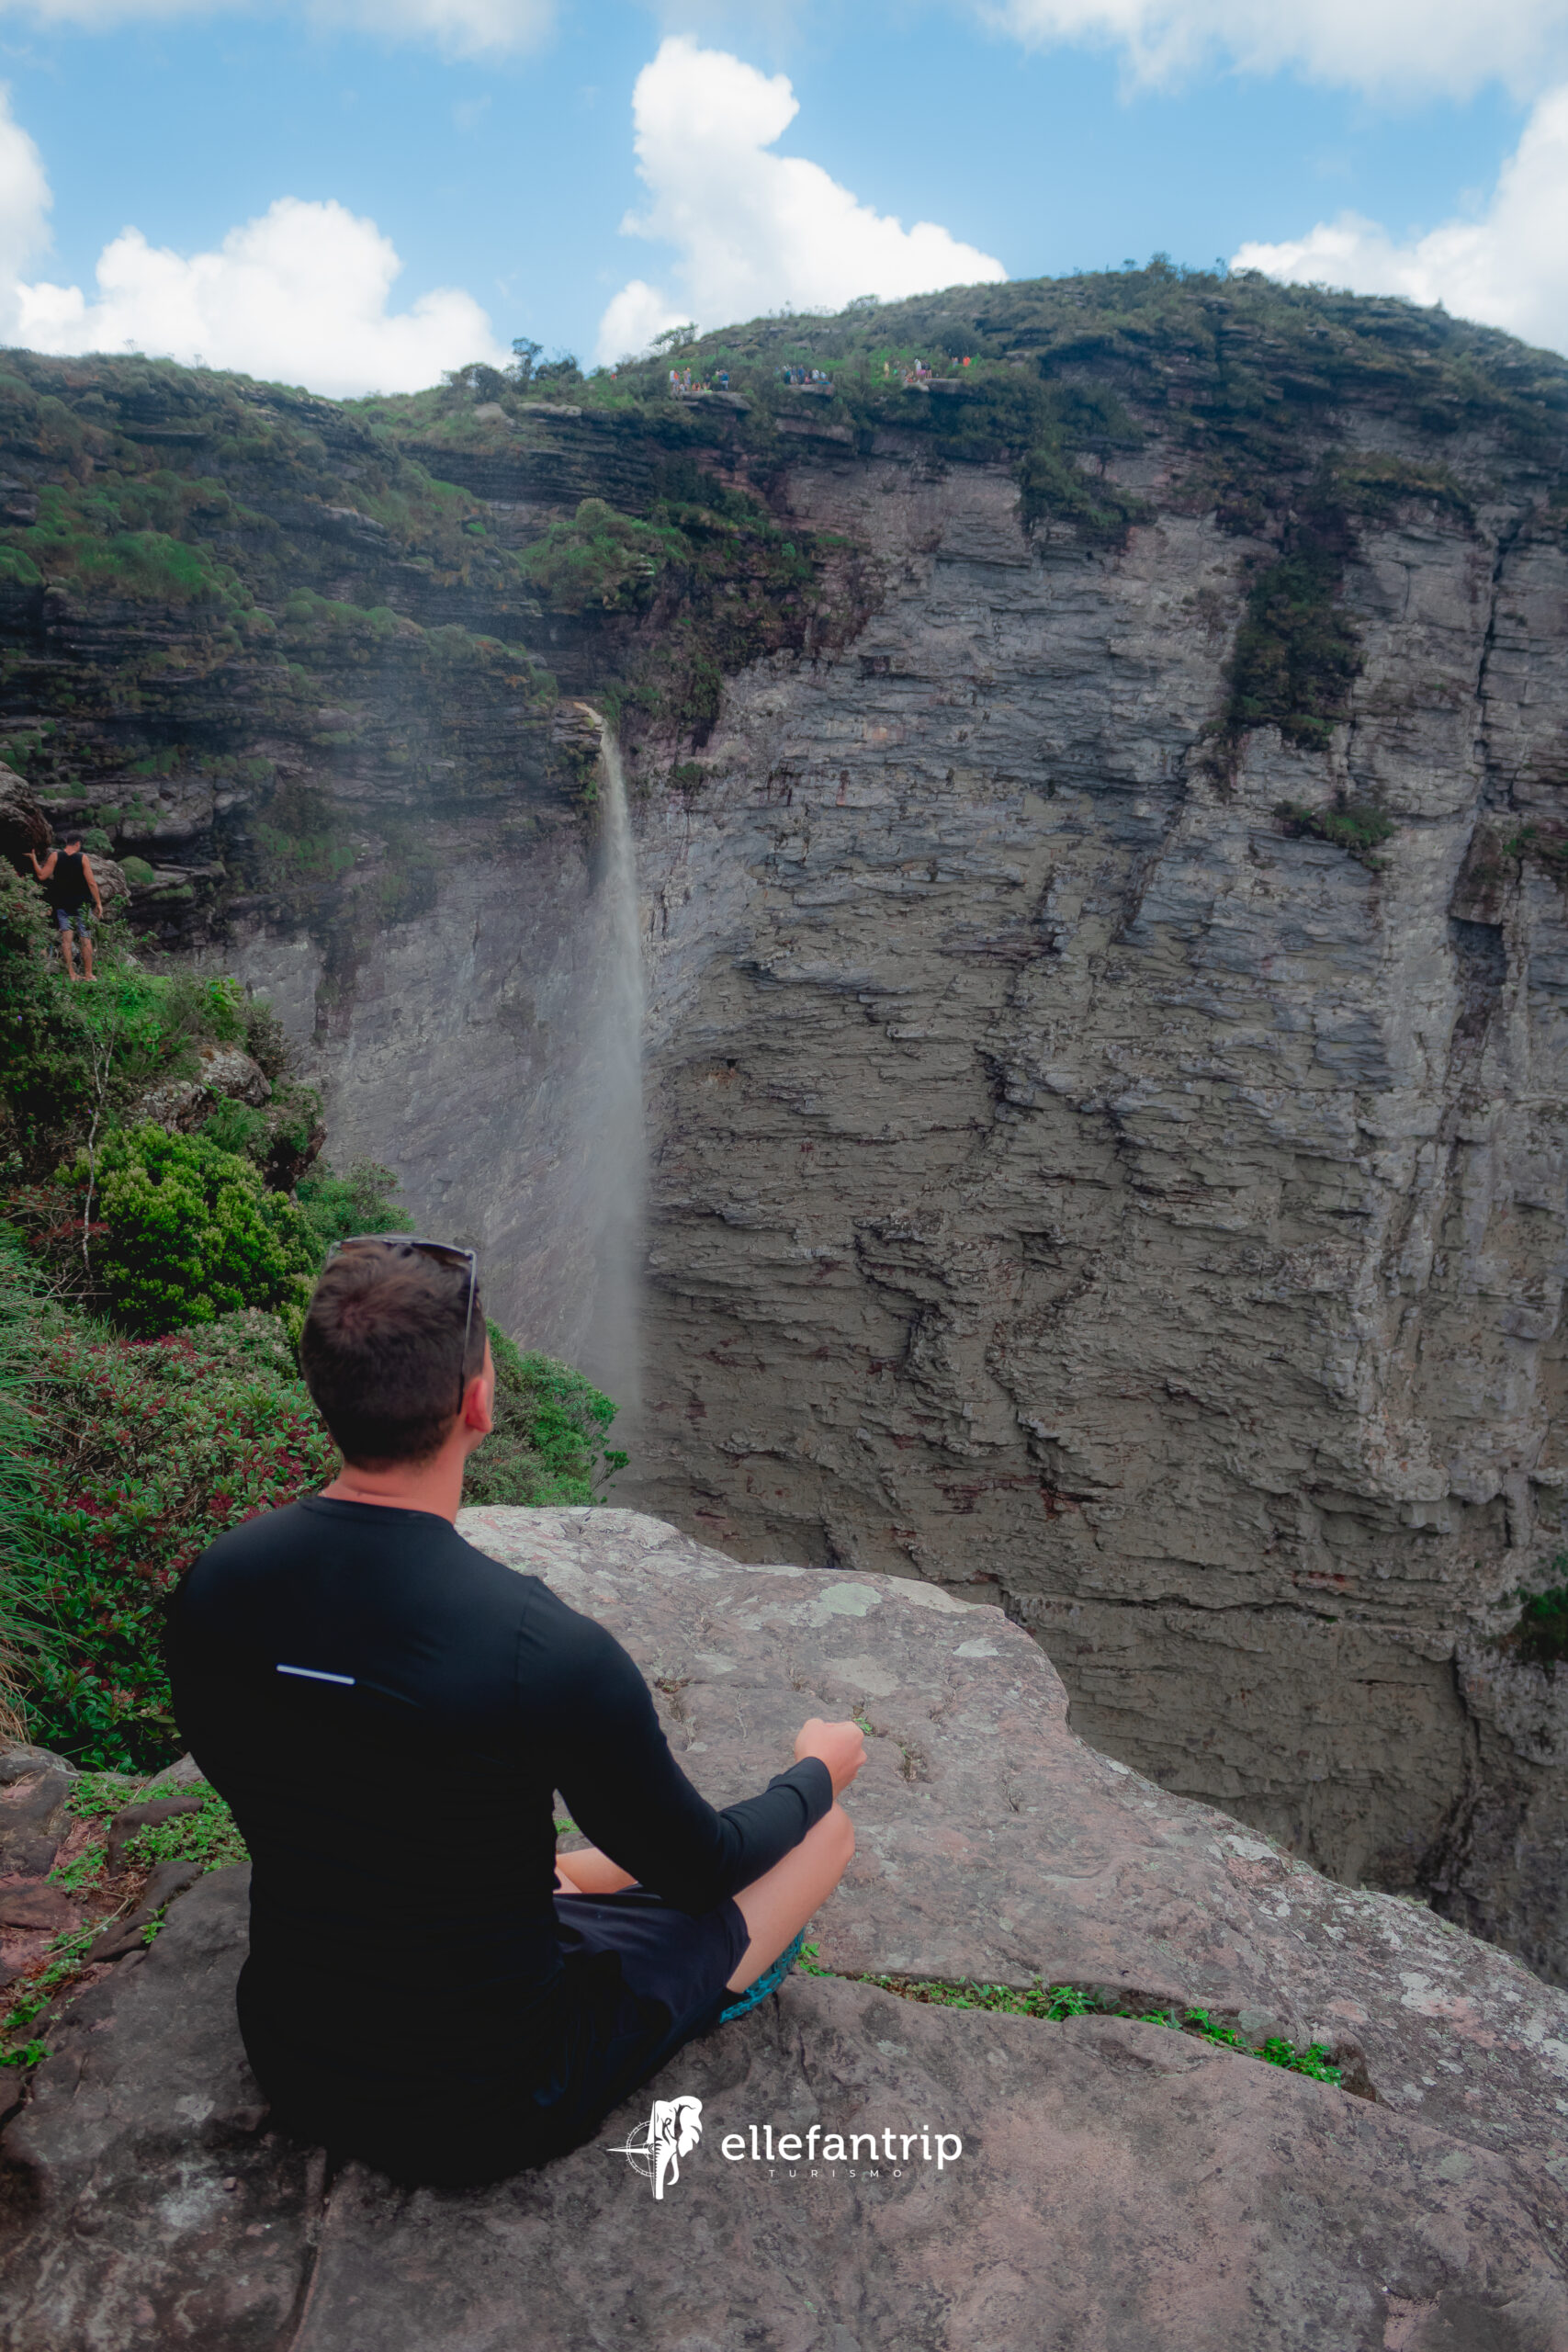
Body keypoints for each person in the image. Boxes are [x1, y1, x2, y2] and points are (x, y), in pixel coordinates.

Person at [166, 1237, 865, 2188]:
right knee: (819, 1840)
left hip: (293, 2050)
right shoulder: (543, 1646)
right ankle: (705, 1980)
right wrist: (820, 1766)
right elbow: (701, 1869)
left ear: (322, 1393)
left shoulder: (216, 1586)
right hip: (485, 2097)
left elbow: (321, 1783)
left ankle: (567, 1886)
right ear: (479, 1403)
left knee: (462, 1840)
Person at [29, 829, 103, 980]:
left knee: (66, 940)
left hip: (63, 905)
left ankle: (71, 974)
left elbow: (42, 876)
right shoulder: (82, 858)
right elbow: (91, 883)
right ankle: (88, 974)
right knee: (85, 938)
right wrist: (99, 903)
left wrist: (33, 859)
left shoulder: (55, 856)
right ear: (77, 843)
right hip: (81, 905)